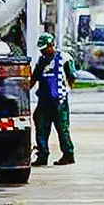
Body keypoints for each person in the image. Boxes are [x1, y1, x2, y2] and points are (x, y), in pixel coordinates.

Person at [30, 33, 76, 166]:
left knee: (62, 129)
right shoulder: (41, 61)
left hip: (59, 101)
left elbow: (72, 76)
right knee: (41, 127)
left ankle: (68, 155)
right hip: (44, 101)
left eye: (45, 48)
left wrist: (66, 89)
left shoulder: (64, 58)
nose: (43, 51)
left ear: (51, 45)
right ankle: (42, 155)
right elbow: (35, 78)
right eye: (41, 49)